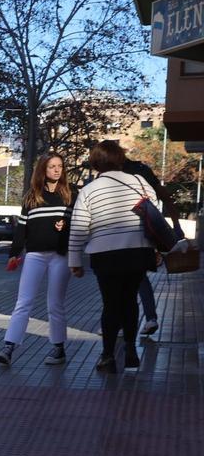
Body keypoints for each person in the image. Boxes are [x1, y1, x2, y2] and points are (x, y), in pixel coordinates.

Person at [68, 141, 156, 373]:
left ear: (96, 162)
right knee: (129, 300)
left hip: (105, 255)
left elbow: (78, 227)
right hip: (138, 252)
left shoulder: (89, 190)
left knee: (111, 304)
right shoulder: (140, 182)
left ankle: (108, 356)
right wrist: (157, 249)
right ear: (120, 158)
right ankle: (130, 350)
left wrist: (74, 262)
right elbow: (155, 215)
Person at [0, 153, 76, 367]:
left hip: (60, 255)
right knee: (23, 302)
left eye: (60, 166)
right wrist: (14, 253)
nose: (57, 170)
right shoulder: (32, 196)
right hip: (35, 255)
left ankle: (58, 348)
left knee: (55, 304)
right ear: (43, 170)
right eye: (52, 167)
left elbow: (78, 225)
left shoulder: (70, 194)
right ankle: (9, 347)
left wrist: (65, 229)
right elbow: (22, 228)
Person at [121, 157, 177, 337]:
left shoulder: (117, 175)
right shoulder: (144, 173)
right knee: (139, 278)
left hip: (123, 233)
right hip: (145, 233)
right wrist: (176, 225)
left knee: (120, 280)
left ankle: (121, 323)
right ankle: (150, 318)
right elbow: (165, 198)